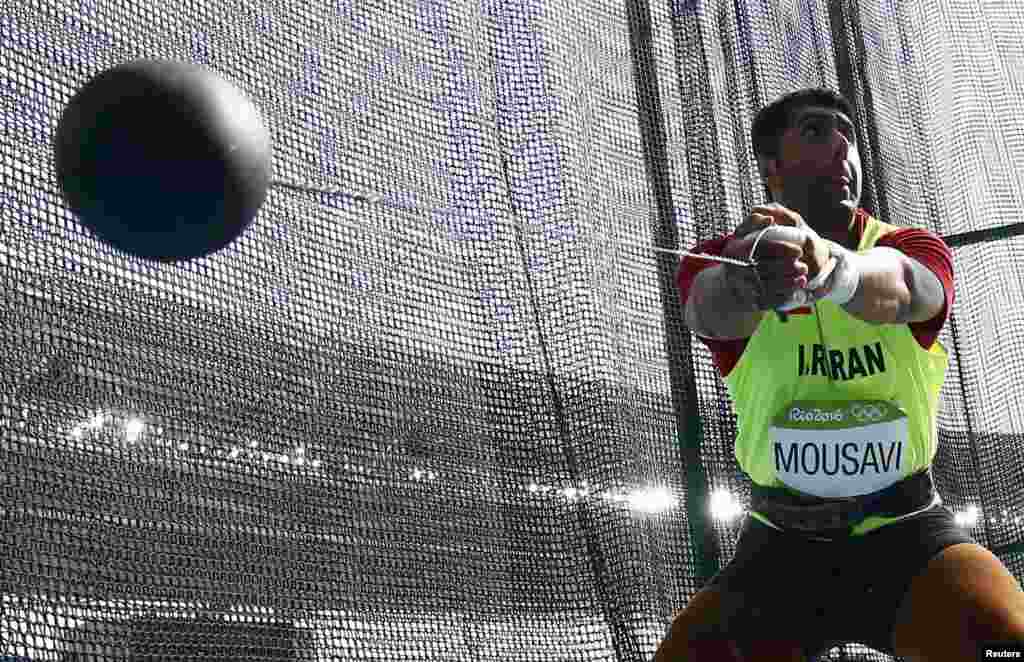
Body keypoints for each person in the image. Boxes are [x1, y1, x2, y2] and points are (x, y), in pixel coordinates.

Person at [657, 88, 1024, 661]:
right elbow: (707, 308)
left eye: (848, 135)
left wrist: (831, 269)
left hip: (908, 534)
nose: (843, 147)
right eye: (817, 131)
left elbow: (906, 289)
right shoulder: (722, 258)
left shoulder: (908, 245)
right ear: (771, 165)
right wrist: (751, 281)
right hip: (781, 547)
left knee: (1005, 643)